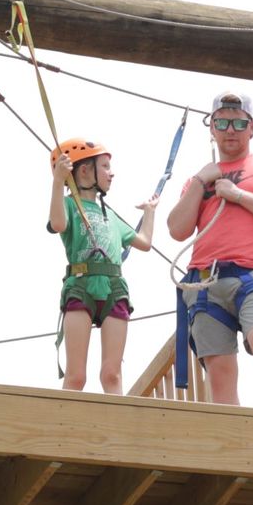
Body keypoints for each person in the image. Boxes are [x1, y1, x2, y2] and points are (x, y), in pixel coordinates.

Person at [166, 88, 253, 409]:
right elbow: (177, 230)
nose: (231, 130)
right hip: (204, 280)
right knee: (219, 368)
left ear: (252, 127)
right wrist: (202, 182)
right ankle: (234, 443)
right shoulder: (199, 181)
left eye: (239, 124)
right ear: (212, 127)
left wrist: (239, 195)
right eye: (223, 123)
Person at [48, 137, 157, 394]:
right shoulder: (69, 206)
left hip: (113, 287)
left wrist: (150, 212)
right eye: (105, 166)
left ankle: (117, 428)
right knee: (76, 376)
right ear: (85, 170)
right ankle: (67, 427)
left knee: (112, 374)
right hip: (81, 285)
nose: (111, 173)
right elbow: (58, 224)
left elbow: (144, 242)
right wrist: (57, 182)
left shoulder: (111, 216)